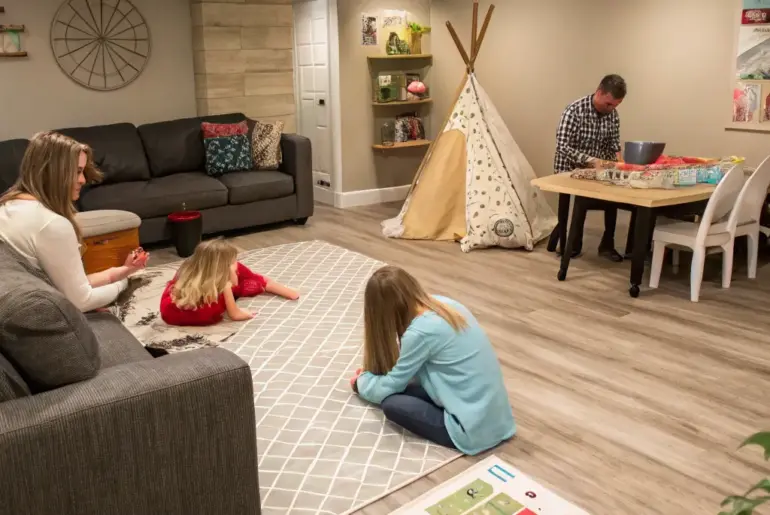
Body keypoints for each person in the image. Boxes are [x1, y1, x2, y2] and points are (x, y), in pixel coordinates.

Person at [349, 266, 515, 455]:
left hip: (470, 431)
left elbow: (389, 386)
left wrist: (360, 383)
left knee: (392, 403)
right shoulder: (446, 305)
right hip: (498, 419)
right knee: (407, 386)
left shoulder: (419, 333)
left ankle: (456, 429)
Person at [0, 131, 147, 312]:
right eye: (77, 171)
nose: (83, 180)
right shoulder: (51, 224)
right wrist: (124, 284)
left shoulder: (9, 206)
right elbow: (82, 301)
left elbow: (74, 285)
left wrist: (124, 271)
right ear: (53, 172)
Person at [553, 74, 627, 262]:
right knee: (582, 200)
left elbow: (613, 144)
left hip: (596, 169)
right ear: (599, 92)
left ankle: (607, 245)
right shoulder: (574, 111)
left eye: (616, 106)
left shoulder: (612, 115)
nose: (611, 109)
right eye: (609, 104)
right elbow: (562, 146)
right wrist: (592, 161)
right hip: (569, 169)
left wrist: (619, 163)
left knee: (613, 198)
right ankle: (573, 244)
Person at [160, 238, 299, 326]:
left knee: (252, 280)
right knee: (252, 282)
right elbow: (235, 314)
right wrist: (244, 312)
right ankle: (288, 292)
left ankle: (286, 291)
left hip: (177, 307)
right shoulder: (224, 286)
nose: (236, 263)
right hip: (204, 304)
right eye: (233, 261)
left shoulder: (187, 270)